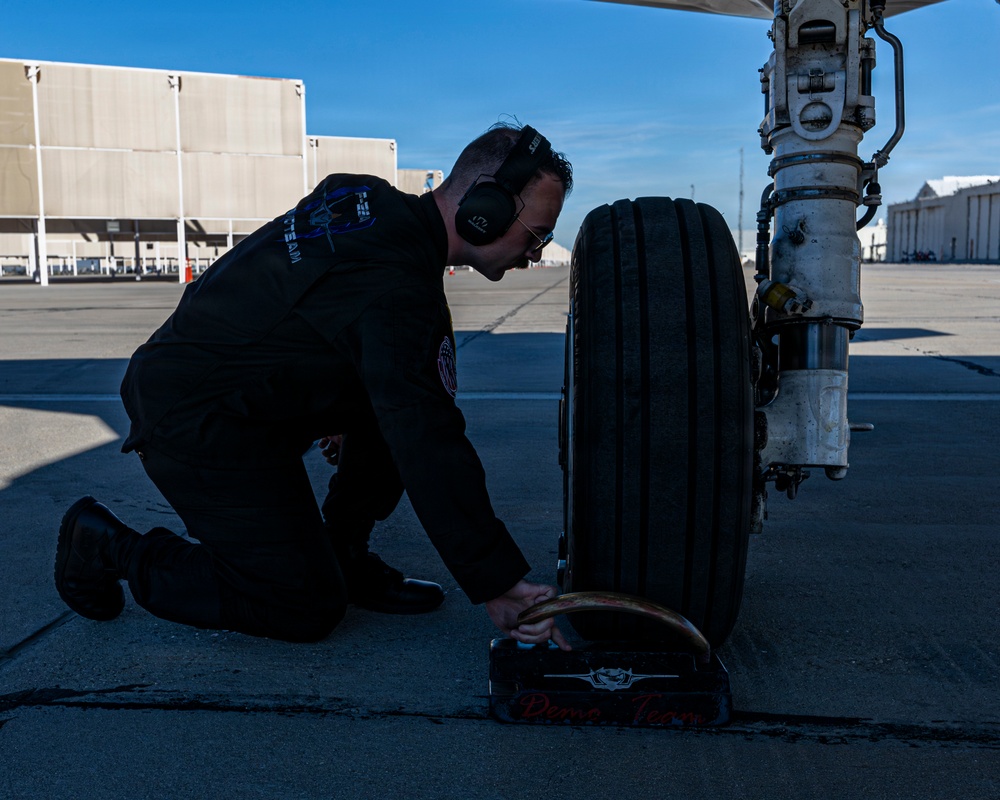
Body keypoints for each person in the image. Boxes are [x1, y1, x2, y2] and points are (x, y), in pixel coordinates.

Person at [54, 122, 573, 652]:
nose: (535, 253)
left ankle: (343, 553)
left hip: (233, 395)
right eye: (535, 235)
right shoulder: (397, 288)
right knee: (300, 604)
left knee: (395, 395)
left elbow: (298, 307)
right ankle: (106, 546)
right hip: (196, 420)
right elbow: (429, 442)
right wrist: (498, 582)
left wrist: (335, 405)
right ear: (484, 207)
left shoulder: (364, 197)